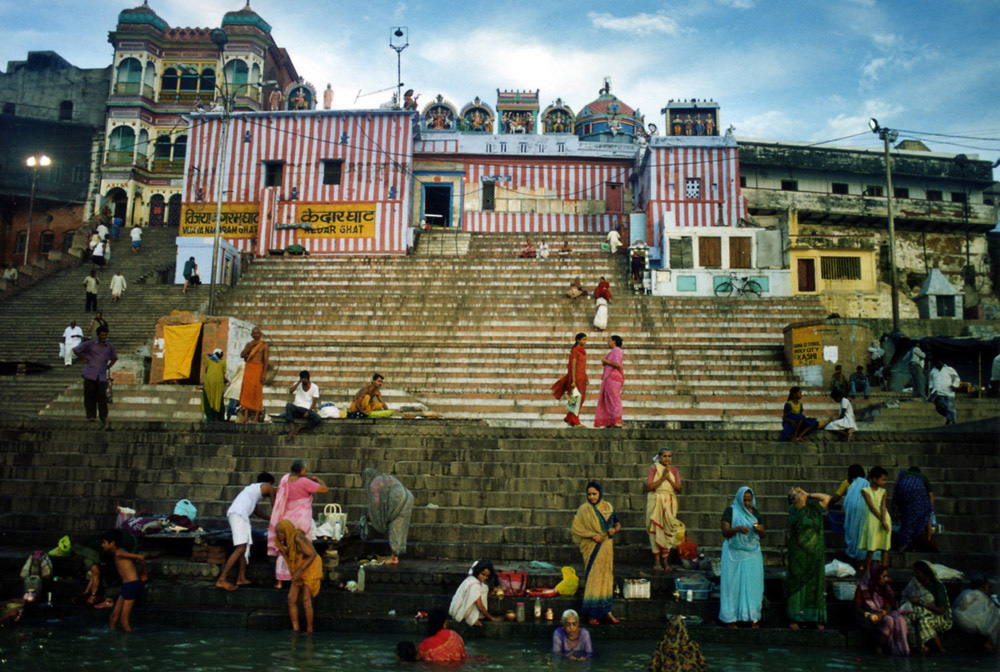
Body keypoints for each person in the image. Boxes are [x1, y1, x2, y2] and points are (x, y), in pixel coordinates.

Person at [268, 460, 328, 589]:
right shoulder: (304, 482)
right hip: (301, 520)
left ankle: (280, 581)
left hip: (286, 519)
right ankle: (299, 577)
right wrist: (318, 480)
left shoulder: (286, 479)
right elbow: (324, 489)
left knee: (284, 549)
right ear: (302, 470)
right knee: (300, 548)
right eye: (305, 469)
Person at [570, 481, 621, 625]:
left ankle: (606, 612)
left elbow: (617, 524)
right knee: (594, 579)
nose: (592, 497)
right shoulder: (583, 510)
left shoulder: (608, 507)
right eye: (589, 494)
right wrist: (592, 535)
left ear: (600, 494)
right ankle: (592, 614)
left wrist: (614, 530)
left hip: (607, 549)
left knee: (606, 579)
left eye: (594, 494)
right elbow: (576, 529)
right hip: (592, 548)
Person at [216, 472, 276, 591]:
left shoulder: (250, 489)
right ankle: (221, 579)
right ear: (269, 482)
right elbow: (275, 505)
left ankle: (241, 578)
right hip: (238, 515)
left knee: (245, 546)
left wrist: (270, 519)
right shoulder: (267, 487)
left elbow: (255, 510)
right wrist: (277, 517)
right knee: (240, 548)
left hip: (238, 514)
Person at [719, 486, 765, 628]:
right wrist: (737, 529)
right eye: (744, 500)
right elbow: (725, 532)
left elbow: (763, 534)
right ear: (739, 499)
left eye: (749, 500)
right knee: (732, 585)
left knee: (753, 585)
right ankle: (730, 618)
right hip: (734, 553)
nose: (747, 503)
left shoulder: (755, 512)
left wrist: (760, 530)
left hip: (752, 554)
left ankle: (752, 617)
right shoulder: (731, 511)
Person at [786, 487, 830, 630]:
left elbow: (826, 498)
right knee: (798, 587)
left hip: (816, 556)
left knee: (815, 587)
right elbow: (797, 504)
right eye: (795, 494)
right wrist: (799, 497)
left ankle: (816, 618)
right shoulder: (794, 510)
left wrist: (809, 494)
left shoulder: (813, 508)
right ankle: (795, 618)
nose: (799, 494)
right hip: (799, 557)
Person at [274, 519, 321, 633]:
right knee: (291, 599)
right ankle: (296, 629)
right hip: (298, 569)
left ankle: (309, 630)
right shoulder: (286, 541)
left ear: (286, 531)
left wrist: (300, 571)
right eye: (278, 533)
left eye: (281, 532)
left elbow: (312, 555)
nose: (279, 536)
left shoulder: (298, 538)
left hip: (310, 567)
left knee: (306, 599)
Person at [361, 468, 414, 565]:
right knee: (402, 526)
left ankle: (394, 557)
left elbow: (377, 502)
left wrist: (372, 514)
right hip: (408, 496)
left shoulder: (374, 484)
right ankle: (398, 551)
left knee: (395, 527)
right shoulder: (384, 478)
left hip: (397, 499)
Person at [855, 563, 909, 655]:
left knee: (899, 619)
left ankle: (902, 649)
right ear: (876, 577)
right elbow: (857, 607)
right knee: (888, 620)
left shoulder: (885, 588)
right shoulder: (862, 587)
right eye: (883, 576)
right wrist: (868, 615)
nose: (886, 579)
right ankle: (880, 644)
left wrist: (882, 613)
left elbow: (888, 606)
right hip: (867, 617)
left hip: (882, 613)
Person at [101, 529, 147, 632]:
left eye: (104, 542)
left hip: (132, 585)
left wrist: (144, 574)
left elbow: (140, 558)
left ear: (112, 543)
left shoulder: (118, 553)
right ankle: (113, 642)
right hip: (127, 586)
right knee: (113, 618)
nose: (102, 545)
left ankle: (129, 645)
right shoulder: (118, 552)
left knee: (124, 621)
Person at [645, 447, 682, 572]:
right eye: (664, 456)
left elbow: (679, 489)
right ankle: (657, 562)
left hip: (670, 502)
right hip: (656, 501)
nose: (667, 458)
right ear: (659, 457)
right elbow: (649, 487)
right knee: (655, 530)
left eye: (669, 456)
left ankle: (665, 561)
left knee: (669, 530)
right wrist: (662, 478)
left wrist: (669, 479)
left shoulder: (675, 470)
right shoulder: (654, 468)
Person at [903, 560, 953, 653]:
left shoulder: (938, 586)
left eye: (918, 573)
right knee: (907, 619)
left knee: (924, 620)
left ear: (926, 574)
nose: (915, 576)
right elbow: (905, 596)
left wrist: (921, 603)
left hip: (939, 617)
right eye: (914, 573)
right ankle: (914, 646)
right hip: (918, 613)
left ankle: (938, 648)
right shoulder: (914, 585)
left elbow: (941, 610)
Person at [73, 326, 117, 425]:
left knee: (102, 396)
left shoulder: (109, 346)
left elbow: (114, 358)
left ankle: (103, 416)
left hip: (101, 375)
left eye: (105, 335)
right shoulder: (91, 344)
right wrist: (83, 359)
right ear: (98, 335)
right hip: (90, 373)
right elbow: (76, 350)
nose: (103, 337)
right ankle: (91, 416)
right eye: (102, 335)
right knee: (89, 396)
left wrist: (108, 366)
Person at [952, 574, 999, 653]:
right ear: (982, 587)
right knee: (997, 615)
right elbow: (991, 609)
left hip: (956, 619)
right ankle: (990, 643)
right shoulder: (981, 595)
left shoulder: (965, 592)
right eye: (987, 586)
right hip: (967, 622)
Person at [892, 467, 935, 552]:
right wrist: (930, 508)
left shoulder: (903, 475)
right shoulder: (923, 477)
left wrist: (894, 504)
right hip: (918, 501)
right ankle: (928, 540)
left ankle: (905, 544)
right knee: (926, 517)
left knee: (907, 521)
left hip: (904, 498)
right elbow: (930, 495)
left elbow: (896, 491)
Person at [448, 559, 499, 626]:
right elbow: (480, 606)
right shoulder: (475, 585)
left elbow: (477, 597)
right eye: (483, 574)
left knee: (485, 587)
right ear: (478, 571)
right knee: (483, 587)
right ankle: (471, 618)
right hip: (460, 612)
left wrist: (490, 594)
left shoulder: (473, 578)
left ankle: (472, 616)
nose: (484, 578)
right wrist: (492, 618)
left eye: (487, 576)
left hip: (457, 609)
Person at [551, 333, 588, 427]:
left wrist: (585, 376)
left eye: (585, 340)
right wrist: (573, 380)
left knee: (580, 398)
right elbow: (573, 366)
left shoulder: (582, 352)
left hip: (582, 378)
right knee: (576, 398)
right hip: (576, 378)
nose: (585, 342)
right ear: (578, 340)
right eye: (583, 339)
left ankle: (570, 418)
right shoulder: (575, 351)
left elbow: (582, 366)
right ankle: (574, 421)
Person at [860, 466, 891, 573]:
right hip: (873, 519)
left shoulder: (883, 491)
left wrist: (884, 520)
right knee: (871, 547)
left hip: (884, 516)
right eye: (883, 479)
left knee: (885, 546)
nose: (884, 482)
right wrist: (882, 521)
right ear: (874, 478)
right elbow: (872, 506)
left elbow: (883, 506)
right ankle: (867, 572)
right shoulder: (865, 490)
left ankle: (884, 570)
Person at [238, 327, 269, 423]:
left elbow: (266, 360)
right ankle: (246, 415)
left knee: (256, 392)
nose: (256, 335)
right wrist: (250, 347)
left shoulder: (264, 346)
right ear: (251, 335)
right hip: (249, 368)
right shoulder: (249, 344)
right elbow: (242, 355)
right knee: (247, 392)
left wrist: (264, 373)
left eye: (257, 333)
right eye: (254, 333)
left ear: (260, 334)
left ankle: (256, 415)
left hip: (258, 369)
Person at [278, 370, 321, 438]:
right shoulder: (298, 384)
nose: (304, 383)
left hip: (307, 411)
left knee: (318, 418)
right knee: (288, 406)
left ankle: (300, 428)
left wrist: (309, 412)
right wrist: (299, 382)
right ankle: (292, 429)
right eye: (303, 382)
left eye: (305, 381)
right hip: (297, 409)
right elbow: (291, 391)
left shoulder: (315, 387)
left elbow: (314, 403)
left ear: (308, 380)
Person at [594, 335, 624, 428]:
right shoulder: (613, 351)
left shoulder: (617, 351)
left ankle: (617, 422)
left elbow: (616, 364)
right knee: (609, 400)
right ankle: (611, 421)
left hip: (613, 378)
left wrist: (606, 362)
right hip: (609, 378)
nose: (608, 342)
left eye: (609, 340)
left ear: (614, 341)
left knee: (614, 400)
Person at [928, 359, 960, 425]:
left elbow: (956, 378)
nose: (937, 364)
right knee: (938, 407)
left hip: (948, 392)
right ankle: (949, 417)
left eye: (939, 362)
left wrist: (955, 385)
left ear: (942, 362)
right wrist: (931, 387)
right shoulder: (933, 371)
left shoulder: (949, 369)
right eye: (936, 363)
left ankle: (953, 422)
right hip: (937, 392)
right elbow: (930, 380)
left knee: (949, 408)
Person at [201, 349, 227, 422]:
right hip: (219, 382)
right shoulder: (223, 362)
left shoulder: (208, 360)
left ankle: (210, 418)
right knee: (217, 399)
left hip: (208, 382)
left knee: (209, 399)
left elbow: (206, 371)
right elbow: (223, 374)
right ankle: (216, 418)